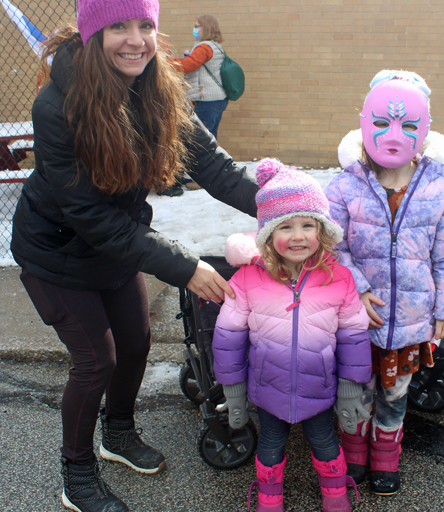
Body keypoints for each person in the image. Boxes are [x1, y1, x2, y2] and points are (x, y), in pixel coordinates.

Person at [10, 1, 258, 511]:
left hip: (116, 245)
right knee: (96, 360)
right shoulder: (57, 105)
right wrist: (187, 267)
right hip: (56, 252)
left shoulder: (158, 86)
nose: (136, 39)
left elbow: (213, 166)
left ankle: (117, 432)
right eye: (118, 26)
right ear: (92, 33)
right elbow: (91, 217)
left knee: (138, 341)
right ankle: (77, 476)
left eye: (145, 25)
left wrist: (287, 206)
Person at [325, 70, 444, 496]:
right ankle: (353, 449)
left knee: (394, 392)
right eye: (383, 122)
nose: (394, 135)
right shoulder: (344, 187)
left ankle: (386, 454)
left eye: (408, 125)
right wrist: (358, 288)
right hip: (357, 319)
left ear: (424, 132)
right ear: (364, 122)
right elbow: (332, 247)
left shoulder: (443, 190)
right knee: (355, 389)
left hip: (410, 321)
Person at [211, 158, 373, 512]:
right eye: (285, 227)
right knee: (269, 446)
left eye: (307, 225)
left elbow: (354, 337)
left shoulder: (339, 279)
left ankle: (335, 494)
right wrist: (234, 392)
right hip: (268, 389)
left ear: (323, 230)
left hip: (320, 388)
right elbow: (228, 337)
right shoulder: (247, 280)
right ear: (268, 235)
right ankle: (270, 500)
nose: (298, 236)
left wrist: (350, 390)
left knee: (326, 442)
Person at [171, 14, 228, 140]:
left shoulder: (204, 47)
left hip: (207, 99)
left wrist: (166, 60)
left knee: (200, 139)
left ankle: (203, 161)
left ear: (206, 28)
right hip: (218, 98)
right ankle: (213, 159)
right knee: (210, 137)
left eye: (197, 26)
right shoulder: (216, 46)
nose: (195, 29)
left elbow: (186, 66)